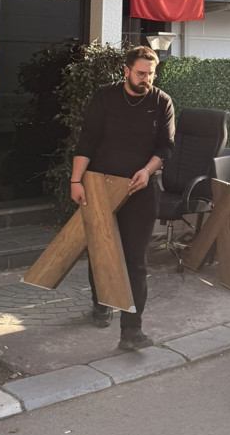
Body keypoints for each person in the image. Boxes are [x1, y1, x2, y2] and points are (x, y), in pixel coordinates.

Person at [70, 45, 175, 350]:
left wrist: (147, 170)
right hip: (99, 186)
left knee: (135, 260)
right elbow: (87, 140)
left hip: (140, 190)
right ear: (126, 71)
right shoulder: (105, 97)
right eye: (141, 73)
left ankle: (132, 331)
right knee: (100, 249)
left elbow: (166, 147)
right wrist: (76, 180)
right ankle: (101, 303)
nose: (146, 79)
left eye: (151, 74)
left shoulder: (162, 101)